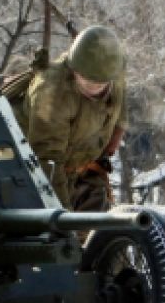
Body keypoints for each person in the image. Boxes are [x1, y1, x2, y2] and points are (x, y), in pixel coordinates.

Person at [21, 25, 128, 212]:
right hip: (41, 178)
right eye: (85, 79)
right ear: (73, 69)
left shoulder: (113, 72)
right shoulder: (52, 92)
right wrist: (64, 218)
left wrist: (114, 138)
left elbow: (120, 108)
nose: (91, 86)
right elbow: (47, 162)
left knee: (103, 234)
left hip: (86, 171)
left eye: (98, 83)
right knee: (66, 237)